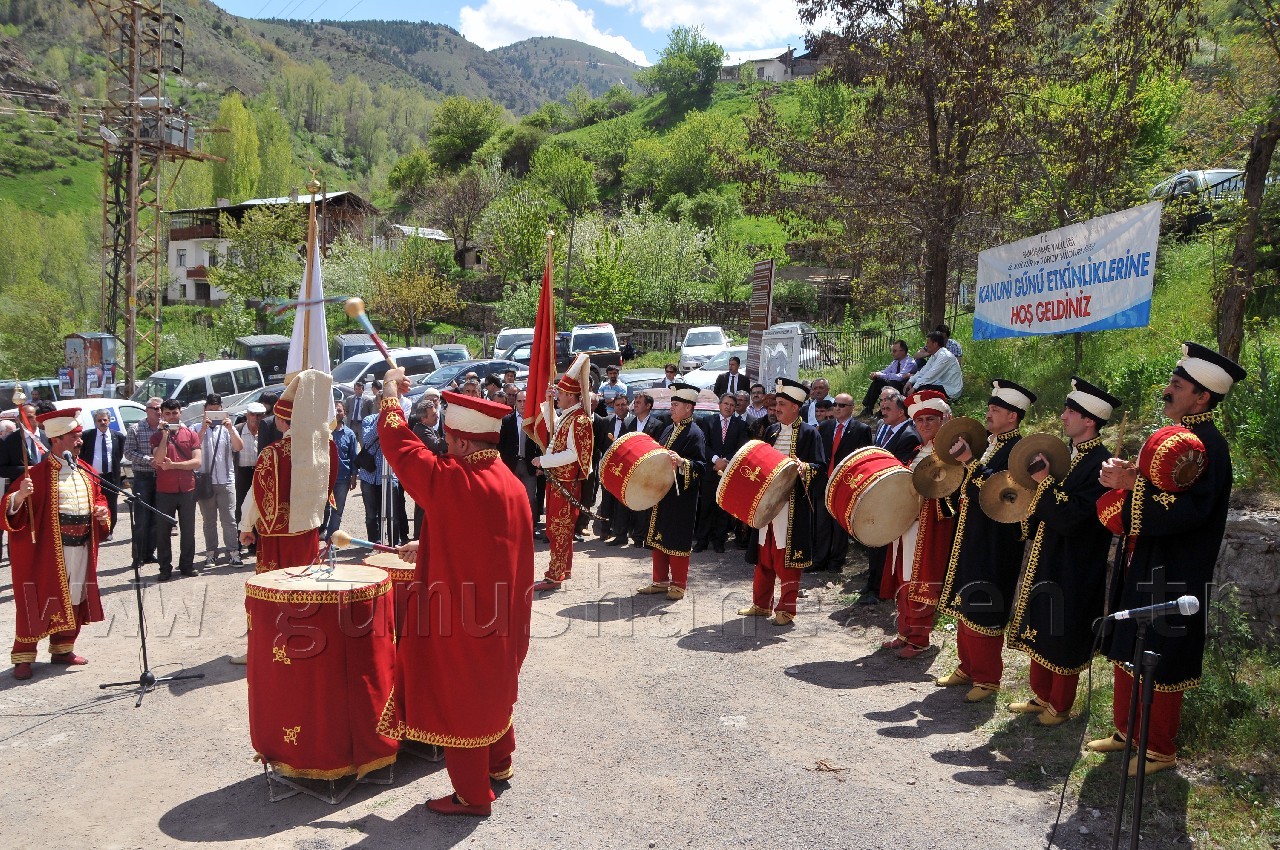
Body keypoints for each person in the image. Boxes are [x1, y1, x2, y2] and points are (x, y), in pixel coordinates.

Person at [375, 371, 534, 817]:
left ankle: (470, 795)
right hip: (503, 610)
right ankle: (499, 765)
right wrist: (429, 544)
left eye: (447, 439)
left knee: (462, 695)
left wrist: (390, 398)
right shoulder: (508, 482)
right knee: (495, 686)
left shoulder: (454, 479)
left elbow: (402, 450)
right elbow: (484, 538)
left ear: (463, 443)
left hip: (464, 614)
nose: (442, 446)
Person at [1089, 343, 1245, 777]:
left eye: (1177, 386)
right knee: (1130, 639)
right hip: (1148, 556)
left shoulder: (1210, 445)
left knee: (1161, 649)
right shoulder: (1177, 437)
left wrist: (1132, 484)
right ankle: (1127, 731)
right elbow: (1161, 490)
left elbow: (1191, 510)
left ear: (1202, 397)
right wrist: (1131, 478)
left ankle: (1158, 749)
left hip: (1177, 568)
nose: (1167, 390)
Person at [1006, 377, 1120, 726]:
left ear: (1090, 420)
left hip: (1076, 560)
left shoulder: (1101, 463)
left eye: (1071, 411)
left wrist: (1044, 483)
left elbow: (1074, 516)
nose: (1062, 416)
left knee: (1064, 627)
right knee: (1042, 620)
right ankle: (1040, 694)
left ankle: (1060, 703)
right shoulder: (1066, 455)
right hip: (1050, 553)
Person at [935, 379, 1035, 702]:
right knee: (966, 599)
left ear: (1013, 417)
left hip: (997, 541)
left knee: (984, 603)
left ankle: (988, 678)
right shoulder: (992, 443)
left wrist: (969, 463)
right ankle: (967, 665)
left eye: (996, 410)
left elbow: (1001, 491)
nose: (988, 413)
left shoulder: (1020, 452)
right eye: (989, 408)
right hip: (974, 534)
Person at [4, 409, 110, 680]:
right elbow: (9, 509)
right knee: (37, 601)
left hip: (82, 546)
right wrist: (19, 496)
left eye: (78, 435)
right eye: (74, 436)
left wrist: (101, 512)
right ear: (57, 440)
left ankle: (63, 647)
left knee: (75, 596)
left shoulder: (87, 471)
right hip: (49, 551)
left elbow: (100, 498)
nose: (80, 440)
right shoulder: (36, 475)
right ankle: (23, 656)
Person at [738, 378, 827, 626]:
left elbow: (820, 468)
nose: (776, 409)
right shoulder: (771, 431)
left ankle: (786, 608)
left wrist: (804, 467)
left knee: (786, 557)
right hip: (768, 503)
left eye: (781, 404)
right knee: (764, 553)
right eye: (775, 404)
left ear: (795, 407)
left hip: (792, 507)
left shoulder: (810, 434)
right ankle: (761, 604)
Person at [238, 370, 337, 574]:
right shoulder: (322, 449)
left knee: (277, 592)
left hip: (278, 537)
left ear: (282, 421)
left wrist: (246, 525)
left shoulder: (272, 452)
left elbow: (258, 493)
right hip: (308, 532)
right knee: (306, 587)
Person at [882, 391, 957, 658]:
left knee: (922, 579)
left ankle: (919, 637)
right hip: (907, 524)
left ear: (942, 421)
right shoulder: (917, 451)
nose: (924, 425)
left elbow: (948, 495)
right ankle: (904, 631)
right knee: (904, 578)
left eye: (930, 419)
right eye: (920, 420)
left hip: (930, 525)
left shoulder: (948, 455)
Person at [637, 383, 707, 599]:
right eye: (671, 404)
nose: (671, 408)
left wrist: (682, 463)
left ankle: (678, 584)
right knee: (659, 536)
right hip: (662, 493)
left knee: (676, 538)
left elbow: (700, 467)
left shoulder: (695, 433)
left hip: (681, 497)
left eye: (676, 405)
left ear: (689, 407)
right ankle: (659, 580)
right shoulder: (668, 428)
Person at [532, 355, 594, 592]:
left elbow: (573, 454)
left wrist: (544, 460)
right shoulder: (571, 416)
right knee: (560, 528)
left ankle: (554, 575)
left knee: (558, 528)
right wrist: (548, 403)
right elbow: (556, 430)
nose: (558, 396)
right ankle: (563, 568)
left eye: (560, 394)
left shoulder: (578, 420)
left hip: (565, 482)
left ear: (571, 396)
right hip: (560, 481)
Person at [860, 387, 922, 603]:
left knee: (884, 545)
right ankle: (872, 584)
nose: (882, 411)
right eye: (882, 407)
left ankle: (878, 589)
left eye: (887, 408)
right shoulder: (888, 430)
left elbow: (897, 468)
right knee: (875, 543)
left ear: (901, 412)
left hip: (892, 497)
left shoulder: (909, 435)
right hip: (880, 495)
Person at [812, 393, 871, 573]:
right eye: (835, 404)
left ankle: (836, 562)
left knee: (839, 526)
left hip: (845, 484)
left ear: (852, 408)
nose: (837, 408)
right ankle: (819, 559)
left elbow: (864, 459)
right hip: (824, 482)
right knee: (822, 523)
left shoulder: (861, 429)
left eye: (842, 405)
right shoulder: (825, 427)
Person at [151, 399, 202, 581]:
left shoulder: (190, 434)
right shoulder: (157, 436)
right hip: (165, 490)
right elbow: (158, 459)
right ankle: (165, 568)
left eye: (175, 413)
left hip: (187, 488)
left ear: (180, 413)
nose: (172, 417)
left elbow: (197, 462)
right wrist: (164, 435)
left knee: (188, 531)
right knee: (163, 531)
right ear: (162, 415)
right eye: (168, 414)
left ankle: (187, 565)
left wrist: (174, 466)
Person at [194, 394, 244, 567]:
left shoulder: (228, 427)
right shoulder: (195, 427)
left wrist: (230, 428)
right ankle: (211, 553)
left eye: (218, 411)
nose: (215, 414)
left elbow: (239, 447)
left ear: (222, 410)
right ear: (205, 410)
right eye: (211, 411)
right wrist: (203, 428)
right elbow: (191, 447)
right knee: (209, 521)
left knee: (229, 519)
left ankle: (233, 552)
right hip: (205, 481)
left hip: (226, 479)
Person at [694, 392, 747, 553]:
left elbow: (741, 447)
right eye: (726, 404)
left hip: (728, 473)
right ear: (719, 405)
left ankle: (719, 541)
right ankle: (701, 541)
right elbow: (704, 444)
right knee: (707, 507)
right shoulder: (708, 421)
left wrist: (725, 462)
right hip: (711, 471)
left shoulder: (740, 425)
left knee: (723, 509)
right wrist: (716, 460)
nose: (728, 407)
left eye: (732, 405)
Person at [123, 397, 163, 566]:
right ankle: (138, 556)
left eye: (160, 408)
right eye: (155, 408)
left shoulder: (165, 428)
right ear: (147, 410)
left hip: (161, 478)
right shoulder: (136, 429)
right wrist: (149, 460)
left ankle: (149, 553)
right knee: (141, 519)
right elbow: (128, 452)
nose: (159, 411)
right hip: (142, 477)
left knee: (155, 519)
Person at [80, 409, 124, 535]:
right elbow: (82, 455)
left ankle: (109, 531)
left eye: (105, 420)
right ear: (95, 422)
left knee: (111, 505)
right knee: (92, 504)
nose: (102, 422)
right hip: (93, 477)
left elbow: (118, 455)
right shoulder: (87, 436)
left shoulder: (118, 437)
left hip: (111, 477)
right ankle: (92, 531)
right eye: (99, 420)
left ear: (109, 421)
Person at [597, 395, 633, 542]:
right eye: (617, 405)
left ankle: (621, 533)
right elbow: (600, 442)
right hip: (610, 467)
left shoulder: (634, 422)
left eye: (623, 405)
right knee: (607, 500)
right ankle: (605, 530)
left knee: (622, 502)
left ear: (628, 405)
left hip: (627, 468)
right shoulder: (607, 421)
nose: (620, 407)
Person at [408, 397, 444, 538]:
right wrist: (451, 437)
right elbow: (436, 446)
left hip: (429, 476)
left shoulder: (428, 428)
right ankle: (420, 539)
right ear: (423, 418)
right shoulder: (421, 430)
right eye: (433, 415)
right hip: (425, 477)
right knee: (423, 510)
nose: (436, 416)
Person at [325, 401, 360, 542]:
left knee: (337, 510)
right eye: (335, 411)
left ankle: (330, 539)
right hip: (325, 478)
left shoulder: (350, 434)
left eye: (339, 410)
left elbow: (353, 457)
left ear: (344, 413)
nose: (337, 413)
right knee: (324, 509)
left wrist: (353, 476)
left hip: (342, 478)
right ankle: (320, 534)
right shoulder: (324, 433)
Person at [862, 339, 918, 416]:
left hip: (904, 388)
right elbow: (885, 372)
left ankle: (884, 409)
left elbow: (900, 377)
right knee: (877, 382)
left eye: (894, 351)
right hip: (893, 385)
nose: (892, 353)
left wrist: (881, 375)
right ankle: (868, 408)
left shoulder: (910, 363)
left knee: (892, 383)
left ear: (903, 351)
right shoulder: (895, 362)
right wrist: (877, 374)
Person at [904, 331, 963, 400]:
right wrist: (910, 381)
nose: (926, 345)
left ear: (935, 344)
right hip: (940, 384)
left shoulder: (945, 356)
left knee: (921, 388)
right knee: (914, 385)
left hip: (950, 390)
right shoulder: (934, 356)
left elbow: (930, 375)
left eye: (928, 342)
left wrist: (914, 387)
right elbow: (923, 371)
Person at [234, 402, 265, 531]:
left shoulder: (266, 430)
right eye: (253, 414)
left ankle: (256, 541)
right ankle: (240, 538)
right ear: (247, 415)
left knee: (258, 505)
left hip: (260, 472)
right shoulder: (238, 430)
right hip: (243, 472)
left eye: (259, 415)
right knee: (241, 506)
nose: (256, 418)